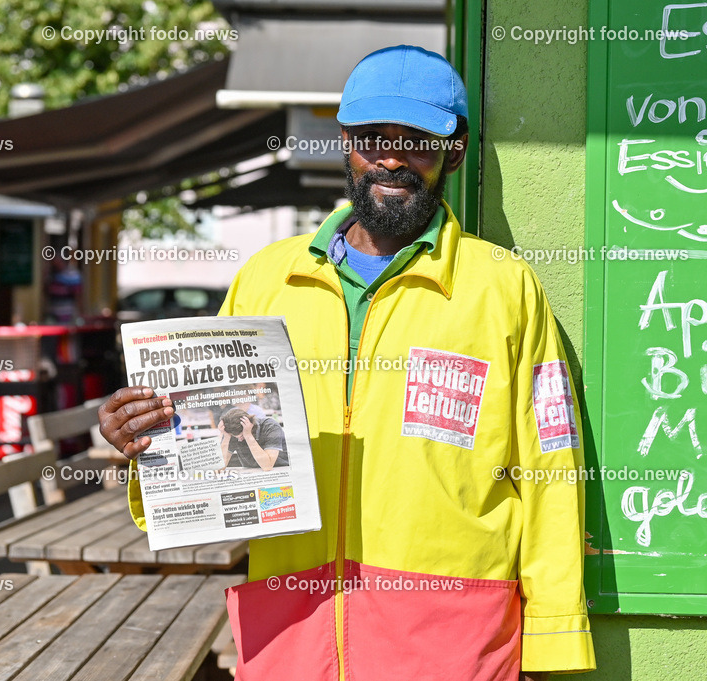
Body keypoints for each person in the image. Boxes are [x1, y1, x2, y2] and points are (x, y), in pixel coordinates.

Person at [99, 45, 595, 681]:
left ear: (457, 150)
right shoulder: (266, 280)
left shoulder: (504, 289)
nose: (391, 157)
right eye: (371, 137)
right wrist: (147, 442)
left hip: (450, 643)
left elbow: (551, 468)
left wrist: (552, 635)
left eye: (417, 139)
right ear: (344, 143)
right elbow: (212, 451)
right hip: (293, 634)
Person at [217, 407, 289, 470]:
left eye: (242, 436)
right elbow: (219, 468)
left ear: (250, 425)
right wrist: (226, 437)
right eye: (236, 437)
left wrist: (248, 436)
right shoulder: (231, 432)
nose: (240, 440)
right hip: (253, 474)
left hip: (279, 470)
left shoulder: (271, 427)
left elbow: (267, 466)